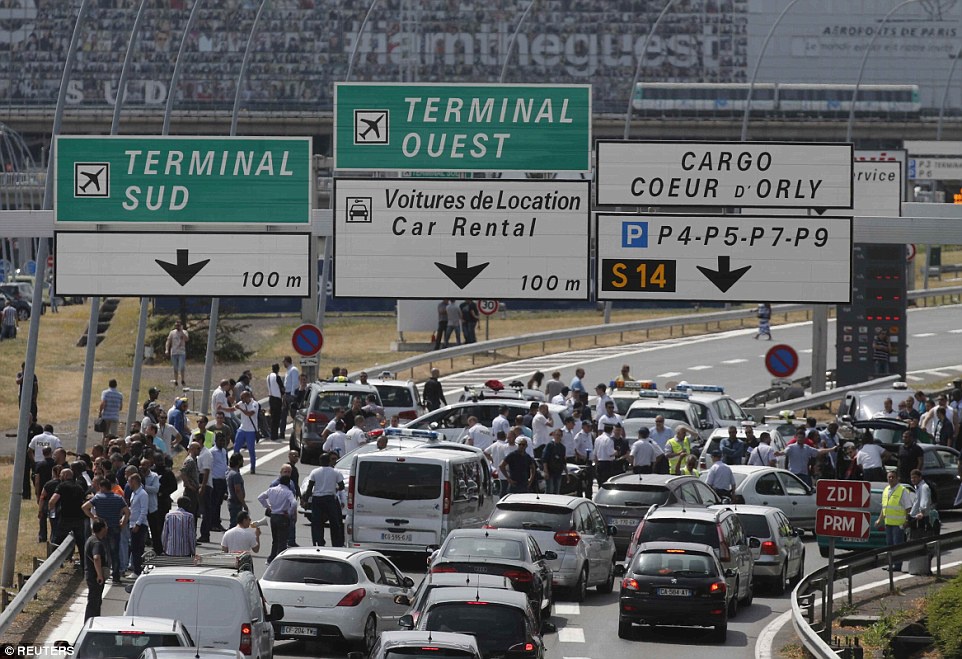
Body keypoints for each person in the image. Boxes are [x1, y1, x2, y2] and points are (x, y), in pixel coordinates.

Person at [82, 477, 129, 585]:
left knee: (102, 552)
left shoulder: (98, 498)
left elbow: (84, 507)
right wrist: (123, 523)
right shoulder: (118, 498)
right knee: (114, 552)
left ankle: (102, 574)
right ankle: (116, 576)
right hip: (115, 527)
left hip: (101, 528)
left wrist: (93, 517)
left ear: (102, 487)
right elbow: (127, 512)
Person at [302, 453, 345, 547]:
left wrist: (305, 500)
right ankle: (337, 543)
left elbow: (310, 488)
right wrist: (335, 489)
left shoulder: (315, 472)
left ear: (320, 461)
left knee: (317, 522)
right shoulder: (336, 472)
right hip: (330, 499)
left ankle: (318, 542)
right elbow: (342, 486)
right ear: (329, 461)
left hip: (317, 499)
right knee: (334, 522)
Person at [877, 470, 912, 572]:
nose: (891, 479)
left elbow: (908, 507)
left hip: (898, 524)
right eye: (889, 477)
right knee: (889, 545)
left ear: (897, 478)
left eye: (893, 477)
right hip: (888, 523)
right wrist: (880, 519)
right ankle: (891, 564)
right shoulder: (886, 490)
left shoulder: (902, 490)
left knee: (897, 545)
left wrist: (906, 520)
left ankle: (897, 565)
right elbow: (884, 507)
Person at [258, 476, 297, 563]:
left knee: (275, 540)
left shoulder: (271, 490)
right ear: (288, 483)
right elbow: (294, 503)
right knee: (282, 541)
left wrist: (268, 507)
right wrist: (289, 512)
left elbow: (260, 497)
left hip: (273, 516)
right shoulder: (288, 492)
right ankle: (280, 562)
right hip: (283, 516)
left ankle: (271, 558)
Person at [84, 519, 108, 621]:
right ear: (102, 529)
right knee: (94, 602)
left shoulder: (90, 539)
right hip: (95, 577)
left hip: (90, 574)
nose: (107, 529)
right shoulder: (96, 543)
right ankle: (90, 622)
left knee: (95, 601)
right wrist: (99, 575)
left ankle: (93, 620)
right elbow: (96, 558)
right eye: (105, 527)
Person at [126, 473, 148, 576]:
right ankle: (137, 568)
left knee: (137, 548)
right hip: (132, 523)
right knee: (134, 548)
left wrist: (138, 524)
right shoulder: (134, 493)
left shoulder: (142, 494)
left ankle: (137, 571)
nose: (128, 483)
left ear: (134, 481)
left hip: (139, 525)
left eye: (129, 481)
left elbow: (144, 511)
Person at [234, 389, 260, 474]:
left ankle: (252, 467)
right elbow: (233, 408)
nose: (241, 400)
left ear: (248, 397)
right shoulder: (242, 403)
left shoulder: (254, 404)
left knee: (251, 449)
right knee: (236, 448)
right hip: (242, 428)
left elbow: (249, 413)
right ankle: (236, 466)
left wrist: (240, 409)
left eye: (243, 398)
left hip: (251, 430)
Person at [542, 429, 567, 494]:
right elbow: (545, 459)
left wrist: (567, 474)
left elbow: (563, 461)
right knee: (549, 490)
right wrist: (546, 471)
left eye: (559, 435)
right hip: (550, 472)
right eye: (556, 435)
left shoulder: (562, 447)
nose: (558, 436)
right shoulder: (549, 445)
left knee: (556, 491)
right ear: (553, 435)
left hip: (558, 472)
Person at [165, 320, 189, 386]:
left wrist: (182, 332)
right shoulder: (172, 333)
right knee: (175, 367)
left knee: (182, 367)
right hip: (174, 352)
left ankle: (182, 380)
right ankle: (176, 380)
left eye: (178, 325)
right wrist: (167, 349)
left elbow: (187, 339)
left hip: (182, 352)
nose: (177, 327)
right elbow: (168, 341)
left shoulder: (184, 332)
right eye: (176, 325)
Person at [226, 453, 247, 529]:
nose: (243, 462)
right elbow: (238, 490)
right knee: (235, 525)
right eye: (241, 460)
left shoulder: (230, 472)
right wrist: (244, 504)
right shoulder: (235, 475)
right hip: (235, 503)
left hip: (232, 502)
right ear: (238, 461)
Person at [266, 363, 285, 441]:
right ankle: (275, 435)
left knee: (273, 417)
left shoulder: (268, 376)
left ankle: (273, 434)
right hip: (277, 399)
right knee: (276, 418)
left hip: (271, 398)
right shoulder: (277, 377)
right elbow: (282, 388)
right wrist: (284, 394)